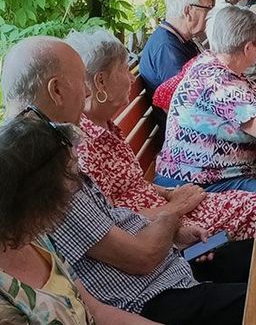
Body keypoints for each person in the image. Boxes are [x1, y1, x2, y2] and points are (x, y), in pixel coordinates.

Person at [0, 37, 250, 325]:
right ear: (56, 90)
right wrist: (172, 217)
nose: (87, 91)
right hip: (151, 297)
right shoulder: (47, 170)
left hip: (172, 270)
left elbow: (117, 222)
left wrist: (173, 234)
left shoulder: (52, 152)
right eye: (83, 80)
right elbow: (140, 257)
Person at [66, 29, 256, 241]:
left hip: (171, 209)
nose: (131, 78)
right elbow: (112, 223)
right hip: (162, 229)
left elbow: (132, 184)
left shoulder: (104, 125)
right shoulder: (83, 144)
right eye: (123, 69)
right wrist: (175, 207)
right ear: (101, 82)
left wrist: (170, 194)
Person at [0, 113, 156, 324]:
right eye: (70, 187)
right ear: (39, 200)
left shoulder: (38, 238)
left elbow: (97, 312)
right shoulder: (6, 301)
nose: (76, 191)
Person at [155, 7, 256, 194]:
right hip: (197, 183)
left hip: (213, 173)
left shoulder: (213, 62)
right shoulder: (220, 84)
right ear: (248, 48)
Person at [139, 0, 211, 98]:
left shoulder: (175, 38)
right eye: (207, 8)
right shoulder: (166, 48)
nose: (209, 14)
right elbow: (184, 99)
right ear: (187, 11)